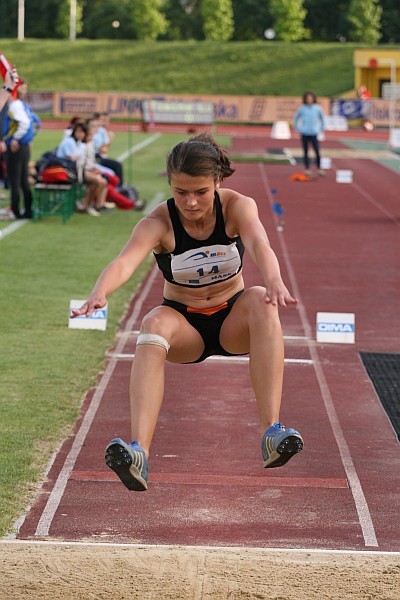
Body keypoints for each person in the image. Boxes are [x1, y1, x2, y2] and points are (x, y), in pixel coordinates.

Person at [71, 133, 304, 491]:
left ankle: (271, 432)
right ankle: (138, 454)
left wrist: (274, 279)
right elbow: (124, 263)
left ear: (217, 182)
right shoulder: (158, 223)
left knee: (261, 299)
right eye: (181, 192)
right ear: (170, 185)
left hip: (232, 320)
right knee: (152, 324)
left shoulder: (238, 206)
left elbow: (259, 242)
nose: (191, 203)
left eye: (200, 192)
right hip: (186, 326)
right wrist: (100, 291)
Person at [2, 80, 41, 219]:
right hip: (23, 147)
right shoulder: (23, 105)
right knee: (23, 179)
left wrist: (16, 139)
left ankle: (15, 210)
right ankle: (28, 210)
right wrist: (28, 138)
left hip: (16, 148)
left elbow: (25, 123)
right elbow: (36, 123)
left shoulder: (15, 105)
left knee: (15, 180)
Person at [56, 121, 109, 216]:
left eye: (82, 132)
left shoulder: (80, 143)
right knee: (97, 181)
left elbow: (81, 161)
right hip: (66, 171)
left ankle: (87, 204)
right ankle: (85, 204)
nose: (80, 134)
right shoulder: (70, 142)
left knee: (101, 181)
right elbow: (72, 159)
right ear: (74, 132)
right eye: (78, 132)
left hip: (76, 171)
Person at [293, 91, 326, 177]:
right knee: (305, 151)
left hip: (314, 133)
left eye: (310, 98)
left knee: (317, 151)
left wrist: (321, 128)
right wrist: (298, 128)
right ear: (305, 99)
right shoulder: (302, 108)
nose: (309, 100)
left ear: (313, 99)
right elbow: (296, 118)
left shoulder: (317, 108)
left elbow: (323, 119)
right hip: (304, 133)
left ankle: (319, 168)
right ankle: (307, 169)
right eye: (307, 98)